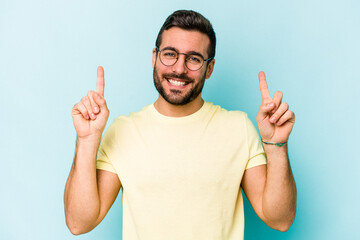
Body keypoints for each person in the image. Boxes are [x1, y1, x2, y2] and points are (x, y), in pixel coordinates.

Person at [64, 10, 296, 240]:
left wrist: (277, 144)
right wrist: (86, 141)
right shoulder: (123, 131)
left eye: (194, 59)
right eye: (170, 54)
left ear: (210, 68)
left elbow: (280, 219)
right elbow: (79, 223)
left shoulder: (238, 128)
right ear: (154, 57)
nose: (179, 68)